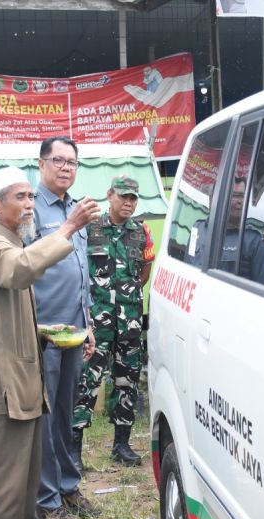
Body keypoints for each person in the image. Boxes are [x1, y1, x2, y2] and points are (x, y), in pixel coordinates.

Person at [0, 166, 99, 519]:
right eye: (20, 198)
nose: (29, 205)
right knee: (4, 491)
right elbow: (19, 270)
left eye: (30, 197)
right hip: (5, 390)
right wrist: (68, 227)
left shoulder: (12, 244)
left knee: (23, 488)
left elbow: (5, 313)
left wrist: (40, 331)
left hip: (21, 387)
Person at [31, 136, 100, 519]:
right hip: (43, 333)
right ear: (42, 164)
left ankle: (68, 487)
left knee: (66, 415)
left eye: (72, 162)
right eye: (58, 160)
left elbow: (81, 271)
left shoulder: (77, 208)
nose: (66, 168)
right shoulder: (29, 207)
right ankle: (46, 500)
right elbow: (25, 266)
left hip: (75, 330)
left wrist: (87, 321)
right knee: (45, 417)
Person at [71, 175, 155, 470]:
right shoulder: (90, 228)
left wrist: (128, 294)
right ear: (110, 195)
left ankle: (122, 445)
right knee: (86, 382)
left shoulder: (141, 232)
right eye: (123, 196)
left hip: (129, 323)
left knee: (127, 381)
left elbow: (144, 271)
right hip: (98, 323)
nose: (128, 203)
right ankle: (74, 451)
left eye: (133, 198)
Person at [189, 177, 264, 284]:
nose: (240, 202)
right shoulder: (197, 229)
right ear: (214, 198)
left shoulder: (256, 241)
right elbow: (187, 268)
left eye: (243, 196)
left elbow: (260, 290)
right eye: (235, 196)